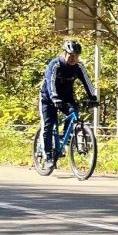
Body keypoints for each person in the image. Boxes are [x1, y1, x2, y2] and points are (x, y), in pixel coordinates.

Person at [38, 40, 98, 170]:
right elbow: (50, 82)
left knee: (74, 113)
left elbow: (87, 82)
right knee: (48, 126)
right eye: (71, 55)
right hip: (48, 98)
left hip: (66, 97)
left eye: (76, 56)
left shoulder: (78, 67)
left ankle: (64, 139)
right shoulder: (55, 65)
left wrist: (93, 97)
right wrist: (54, 98)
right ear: (64, 53)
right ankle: (48, 156)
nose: (73, 58)